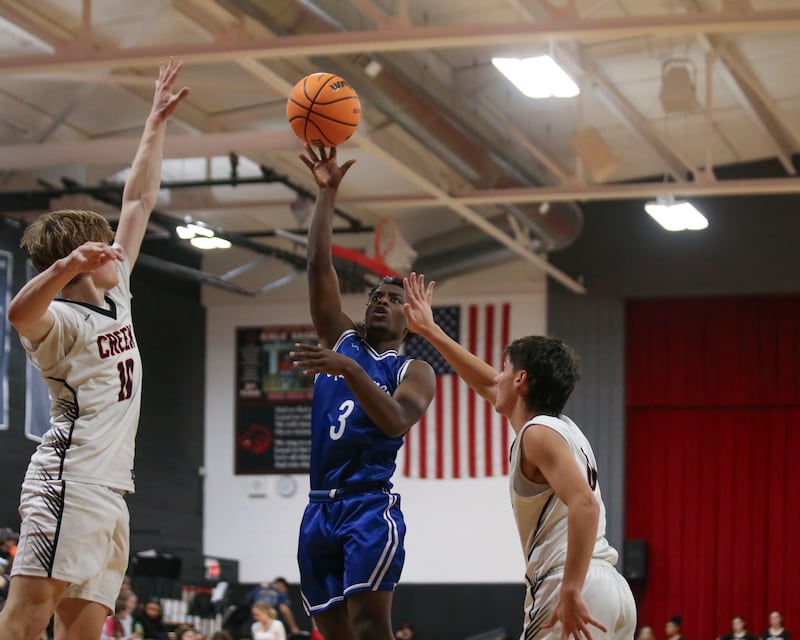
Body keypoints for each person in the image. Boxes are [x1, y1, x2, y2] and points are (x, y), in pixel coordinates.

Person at [0, 59, 188, 640]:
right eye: (103, 247)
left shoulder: (118, 292)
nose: (116, 250)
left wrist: (154, 122)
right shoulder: (59, 319)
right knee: (29, 615)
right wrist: (64, 266)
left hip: (112, 489)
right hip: (69, 478)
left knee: (84, 630)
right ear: (84, 258)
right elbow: (17, 313)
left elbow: (138, 200)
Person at [401, 272, 636, 640]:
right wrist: (431, 332)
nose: (497, 377)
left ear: (521, 380)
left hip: (572, 582)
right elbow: (485, 384)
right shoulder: (563, 430)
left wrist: (571, 589)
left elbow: (585, 506)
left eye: (505, 370)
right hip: (612, 589)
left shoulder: (539, 434)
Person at [290, 145, 436, 640]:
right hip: (318, 508)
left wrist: (350, 371)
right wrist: (326, 193)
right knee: (333, 633)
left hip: (368, 506)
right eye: (376, 295)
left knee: (372, 628)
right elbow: (317, 265)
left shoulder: (412, 369)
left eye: (394, 299)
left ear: (408, 321)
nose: (382, 302)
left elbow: (396, 420)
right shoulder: (343, 338)